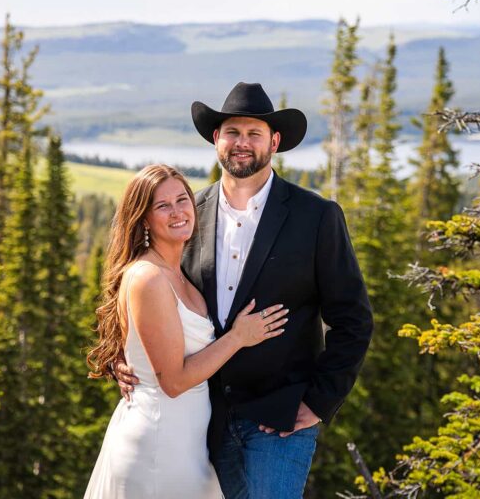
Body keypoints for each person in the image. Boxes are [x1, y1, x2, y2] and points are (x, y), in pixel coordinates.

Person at [115, 82, 374, 498]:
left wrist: (320, 401)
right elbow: (144, 288)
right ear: (216, 139)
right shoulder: (187, 214)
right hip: (201, 418)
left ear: (274, 142)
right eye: (233, 132)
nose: (242, 143)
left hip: (279, 418)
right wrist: (123, 360)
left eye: (254, 134)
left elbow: (353, 320)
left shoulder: (316, 217)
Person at [84, 164, 289, 499]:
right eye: (163, 206)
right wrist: (238, 337)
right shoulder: (148, 278)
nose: (178, 211)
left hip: (188, 443)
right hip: (158, 443)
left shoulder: (180, 270)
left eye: (183, 199)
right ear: (143, 218)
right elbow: (174, 381)